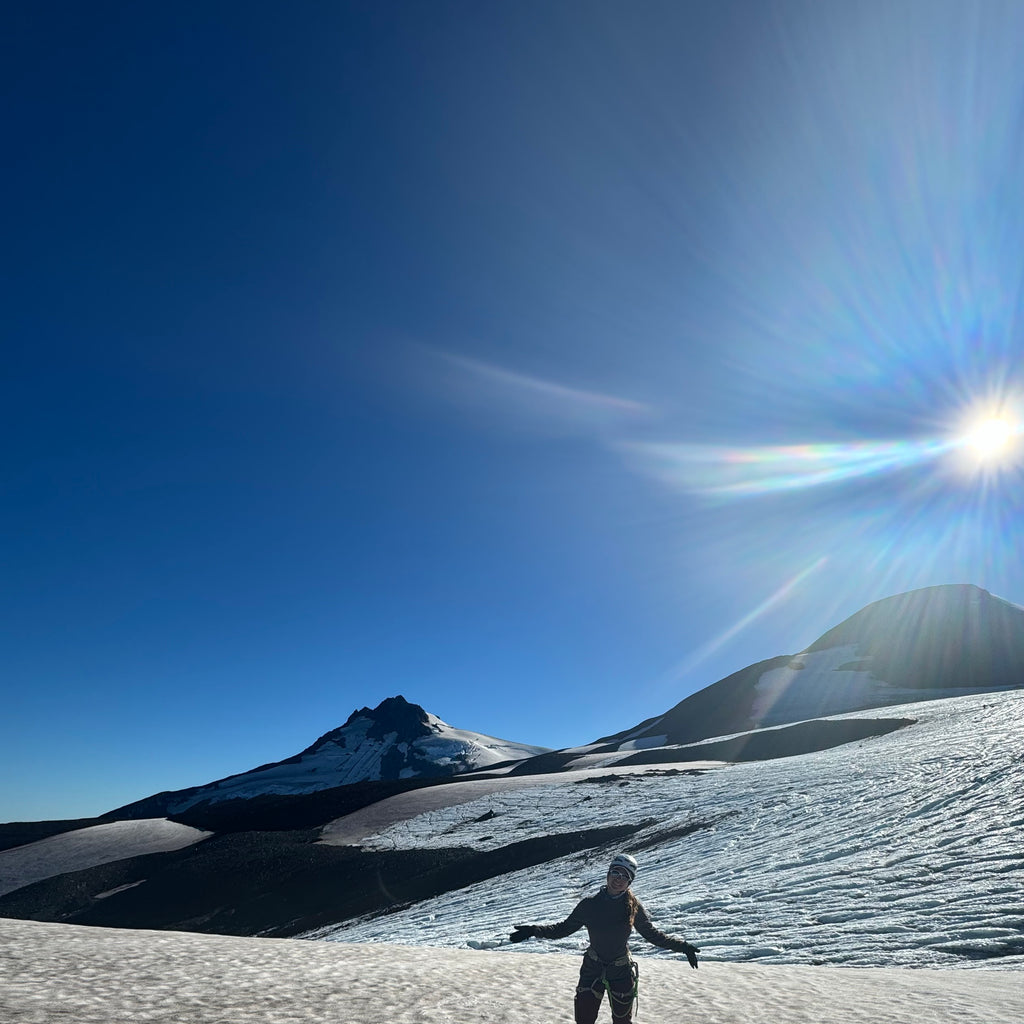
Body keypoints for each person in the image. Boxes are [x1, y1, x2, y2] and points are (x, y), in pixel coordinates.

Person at [509, 853, 699, 1024]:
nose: (619, 879)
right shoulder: (589, 905)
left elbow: (652, 935)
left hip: (621, 971)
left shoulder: (633, 907)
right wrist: (533, 930)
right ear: (608, 874)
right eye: (616, 872)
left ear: (630, 882)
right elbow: (563, 929)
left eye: (625, 876)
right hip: (592, 969)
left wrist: (683, 947)